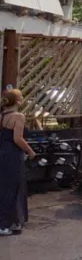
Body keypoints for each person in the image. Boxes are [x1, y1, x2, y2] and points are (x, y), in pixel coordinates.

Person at [0, 89, 34, 235]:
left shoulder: (1, 116)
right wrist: (30, 151)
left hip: (2, 151)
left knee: (4, 186)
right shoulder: (18, 116)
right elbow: (18, 139)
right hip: (14, 154)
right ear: (18, 101)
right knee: (15, 187)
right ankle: (7, 223)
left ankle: (9, 222)